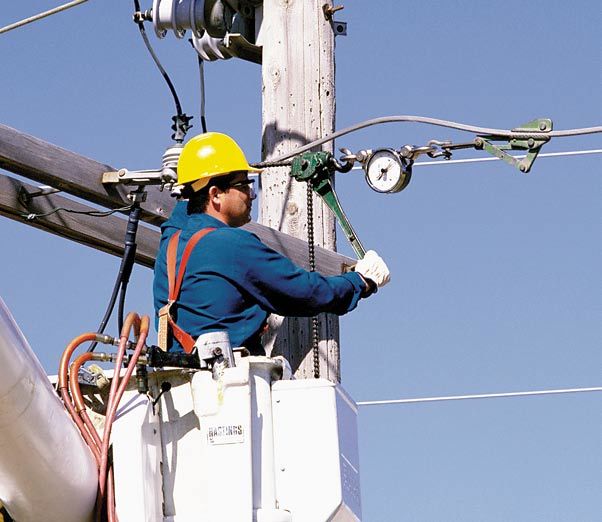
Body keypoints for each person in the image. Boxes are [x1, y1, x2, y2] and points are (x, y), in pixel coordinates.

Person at [153, 132, 390, 355]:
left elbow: (179, 218)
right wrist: (360, 281)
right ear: (215, 194)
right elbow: (304, 291)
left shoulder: (170, 245)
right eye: (243, 185)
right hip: (228, 384)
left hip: (178, 385)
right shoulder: (232, 245)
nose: (251, 194)